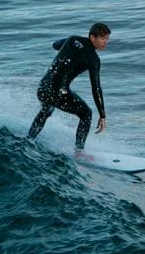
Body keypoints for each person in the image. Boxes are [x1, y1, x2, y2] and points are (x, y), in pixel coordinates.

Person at [27, 22, 111, 156]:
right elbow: (96, 88)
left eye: (107, 39)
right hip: (58, 93)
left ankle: (29, 139)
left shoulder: (72, 39)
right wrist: (102, 115)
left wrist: (68, 50)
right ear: (92, 37)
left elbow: (55, 45)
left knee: (47, 109)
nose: (105, 42)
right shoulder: (93, 59)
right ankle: (79, 151)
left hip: (43, 88)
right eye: (102, 38)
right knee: (86, 114)